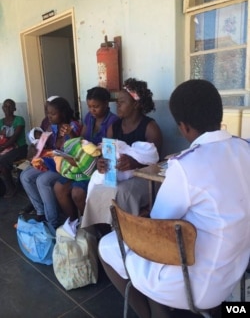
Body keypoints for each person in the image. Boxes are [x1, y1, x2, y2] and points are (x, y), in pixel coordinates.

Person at [98, 79, 250, 318]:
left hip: (197, 287)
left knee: (107, 246)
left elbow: (158, 225)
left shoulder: (187, 165)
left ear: (183, 127)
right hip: (234, 273)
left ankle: (147, 314)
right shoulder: (245, 149)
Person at [81, 78, 163, 234]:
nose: (117, 105)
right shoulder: (115, 126)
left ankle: (126, 233)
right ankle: (101, 232)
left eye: (122, 102)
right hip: (120, 175)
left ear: (136, 104)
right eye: (117, 101)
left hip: (145, 178)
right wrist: (102, 163)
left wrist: (135, 163)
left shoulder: (150, 128)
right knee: (97, 189)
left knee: (122, 192)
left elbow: (157, 165)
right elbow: (107, 152)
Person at [53, 86, 118, 225]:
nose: (92, 110)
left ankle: (89, 226)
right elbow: (81, 140)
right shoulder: (89, 118)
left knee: (77, 193)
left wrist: (89, 156)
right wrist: (70, 133)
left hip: (97, 166)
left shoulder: (113, 121)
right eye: (89, 106)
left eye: (96, 106)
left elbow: (108, 151)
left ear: (106, 104)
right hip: (81, 163)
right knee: (59, 188)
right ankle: (74, 222)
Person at [20, 97, 81, 228]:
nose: (49, 116)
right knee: (25, 176)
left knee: (42, 181)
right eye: (48, 113)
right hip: (51, 162)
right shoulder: (52, 126)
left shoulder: (73, 126)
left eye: (53, 114)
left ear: (63, 113)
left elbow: (76, 149)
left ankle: (52, 221)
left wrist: (70, 134)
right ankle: (41, 211)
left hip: (66, 166)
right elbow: (42, 144)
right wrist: (35, 149)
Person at [0, 99, 27, 198]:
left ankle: (11, 188)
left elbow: (14, 137)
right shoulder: (1, 122)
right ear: (2, 108)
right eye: (5, 106)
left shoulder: (19, 119)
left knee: (2, 160)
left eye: (10, 106)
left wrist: (2, 147)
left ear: (14, 108)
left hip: (20, 148)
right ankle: (7, 186)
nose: (7, 108)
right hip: (5, 149)